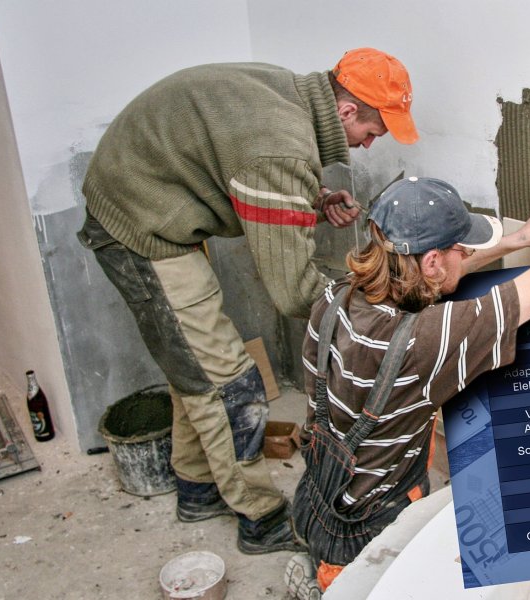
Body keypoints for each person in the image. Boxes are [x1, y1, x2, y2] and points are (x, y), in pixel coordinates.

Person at [285, 92, 530, 596]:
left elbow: (426, 276)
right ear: (433, 261)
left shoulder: (336, 295)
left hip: (319, 501)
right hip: (371, 537)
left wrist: (516, 241)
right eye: (460, 249)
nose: (467, 254)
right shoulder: (425, 343)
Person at [76, 47, 417, 555]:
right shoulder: (281, 146)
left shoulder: (289, 94)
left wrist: (314, 200)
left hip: (155, 198)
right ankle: (261, 518)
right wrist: (375, 301)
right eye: (372, 132)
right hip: (139, 225)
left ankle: (196, 490)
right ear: (347, 110)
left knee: (195, 364)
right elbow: (294, 292)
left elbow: (245, 161)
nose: (368, 145)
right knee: (231, 385)